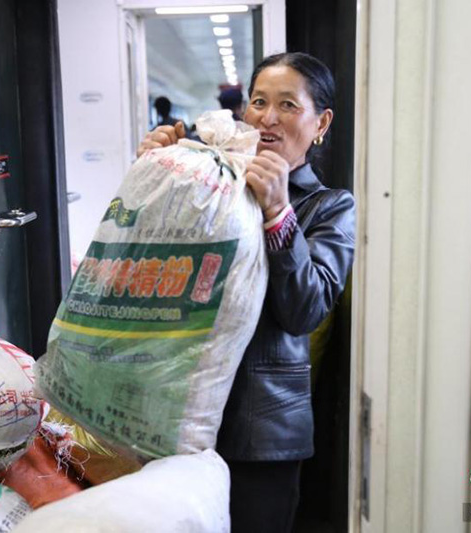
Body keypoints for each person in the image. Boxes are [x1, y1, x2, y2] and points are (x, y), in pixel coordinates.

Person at [137, 52, 355, 533]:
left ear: (321, 123)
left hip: (260, 431)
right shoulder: (208, 183)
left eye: (287, 105)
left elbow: (305, 311)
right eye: (258, 102)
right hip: (172, 413)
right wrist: (156, 175)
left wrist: (278, 213)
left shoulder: (330, 207)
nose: (268, 118)